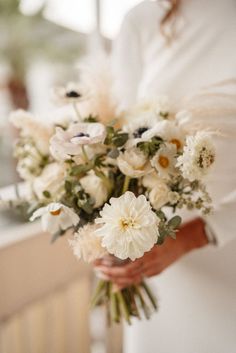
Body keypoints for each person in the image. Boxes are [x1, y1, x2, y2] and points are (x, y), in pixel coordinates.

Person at [94, 1, 236, 352]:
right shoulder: (142, 20)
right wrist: (109, 237)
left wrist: (194, 235)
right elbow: (117, 137)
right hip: (158, 265)